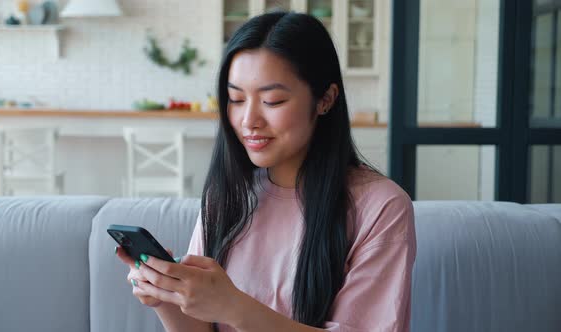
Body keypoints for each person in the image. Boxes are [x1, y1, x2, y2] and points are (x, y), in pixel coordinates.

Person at [116, 11, 416, 332]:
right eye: (236, 99)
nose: (248, 121)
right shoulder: (227, 195)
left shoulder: (381, 207)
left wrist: (234, 307)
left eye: (272, 101)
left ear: (325, 99)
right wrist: (167, 296)